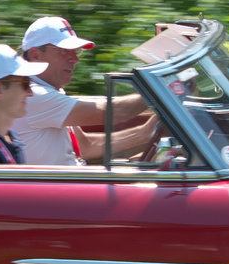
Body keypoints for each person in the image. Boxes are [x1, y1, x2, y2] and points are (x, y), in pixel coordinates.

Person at [13, 16, 156, 165]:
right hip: (58, 187)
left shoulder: (46, 92)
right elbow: (114, 112)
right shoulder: (34, 95)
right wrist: (160, 91)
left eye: (75, 51)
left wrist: (145, 133)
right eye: (64, 51)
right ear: (36, 55)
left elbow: (86, 147)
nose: (75, 59)